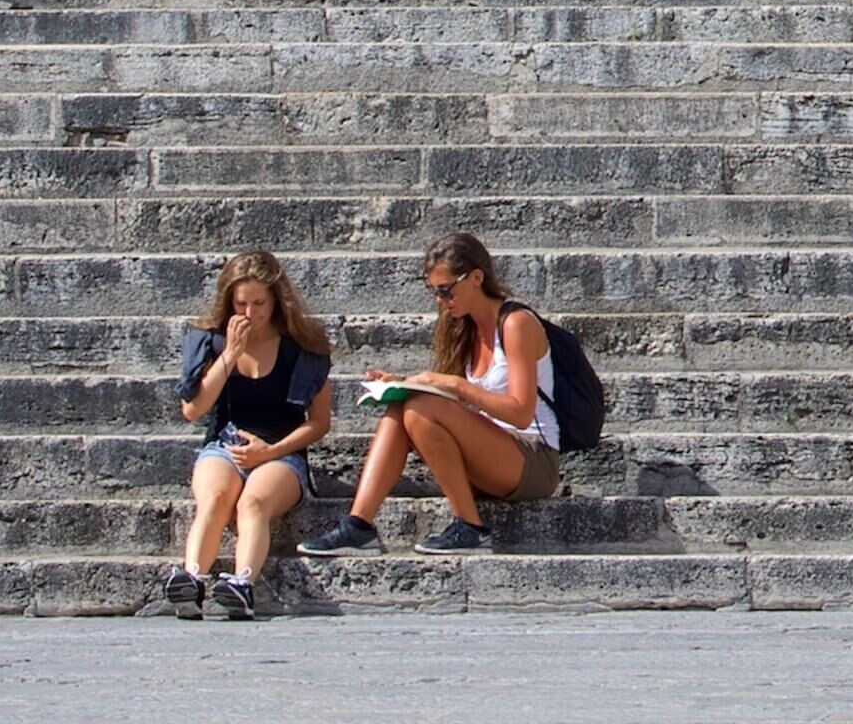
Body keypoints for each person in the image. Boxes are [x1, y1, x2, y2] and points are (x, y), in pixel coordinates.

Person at [298, 234, 558, 556]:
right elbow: (458, 403)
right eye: (434, 292)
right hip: (489, 450)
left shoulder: (516, 323)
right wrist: (406, 382)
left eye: (446, 290)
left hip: (533, 458)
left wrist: (454, 384)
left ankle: (471, 528)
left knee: (420, 407)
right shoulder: (463, 327)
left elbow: (520, 412)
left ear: (477, 278)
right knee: (401, 405)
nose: (440, 300)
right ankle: (358, 525)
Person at [164, 249, 333, 621]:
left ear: (276, 300)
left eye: (259, 303)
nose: (250, 313)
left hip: (280, 451)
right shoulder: (211, 341)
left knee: (252, 503)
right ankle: (191, 579)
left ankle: (242, 585)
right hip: (225, 444)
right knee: (215, 497)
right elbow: (192, 410)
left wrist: (271, 451)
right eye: (241, 304)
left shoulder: (303, 348)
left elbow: (319, 422)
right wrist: (229, 355)